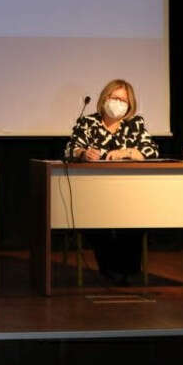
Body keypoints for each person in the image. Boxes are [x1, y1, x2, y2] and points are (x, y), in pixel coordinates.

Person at [64, 79, 158, 284]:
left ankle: (128, 270)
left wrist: (127, 152)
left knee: (134, 221)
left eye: (123, 100)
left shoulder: (135, 124)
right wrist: (83, 153)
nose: (118, 103)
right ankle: (110, 269)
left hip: (129, 192)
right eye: (114, 98)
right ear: (104, 99)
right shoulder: (87, 123)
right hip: (94, 192)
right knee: (97, 223)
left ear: (130, 104)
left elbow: (151, 151)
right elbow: (70, 149)